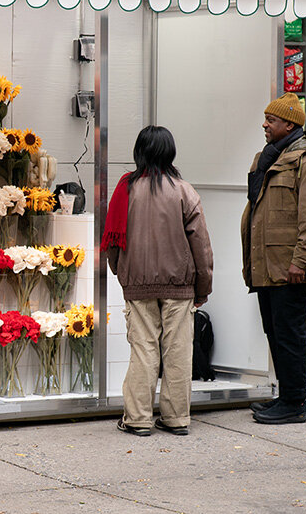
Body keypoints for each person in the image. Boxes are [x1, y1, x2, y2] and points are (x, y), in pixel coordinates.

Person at [103, 126, 213, 437]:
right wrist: (203, 287)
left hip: (137, 284)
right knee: (178, 351)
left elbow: (112, 241)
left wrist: (121, 271)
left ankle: (137, 418)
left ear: (139, 152)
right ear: (171, 152)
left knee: (143, 349)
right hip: (179, 285)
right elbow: (201, 246)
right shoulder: (184, 191)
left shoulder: (125, 189)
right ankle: (176, 418)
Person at [241, 93, 306, 425]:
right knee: (275, 331)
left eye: (271, 120)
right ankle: (287, 394)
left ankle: (295, 402)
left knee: (291, 333)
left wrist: (301, 261)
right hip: (267, 265)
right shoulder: (267, 157)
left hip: (291, 267)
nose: (264, 124)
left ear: (289, 124)